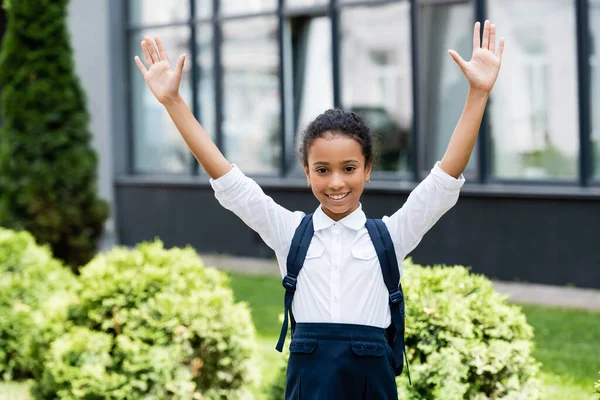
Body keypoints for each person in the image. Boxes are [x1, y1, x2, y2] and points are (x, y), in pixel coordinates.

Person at [135, 19, 504, 400]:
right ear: (307, 172)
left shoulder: (390, 237)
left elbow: (443, 181)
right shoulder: (290, 233)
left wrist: (478, 92)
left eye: (349, 169)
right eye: (323, 170)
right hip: (309, 386)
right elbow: (229, 181)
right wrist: (173, 102)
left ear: (368, 170)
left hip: (370, 386)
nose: (336, 183)